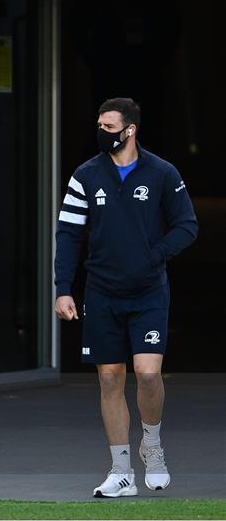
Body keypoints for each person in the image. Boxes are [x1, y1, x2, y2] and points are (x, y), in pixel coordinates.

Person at [54, 98, 198, 498]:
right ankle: (121, 471)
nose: (102, 132)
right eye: (98, 124)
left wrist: (153, 256)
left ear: (130, 129)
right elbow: (67, 234)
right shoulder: (85, 175)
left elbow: (187, 226)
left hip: (149, 291)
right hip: (101, 291)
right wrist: (63, 288)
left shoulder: (162, 173)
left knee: (149, 373)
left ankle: (152, 446)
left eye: (109, 126)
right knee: (109, 377)